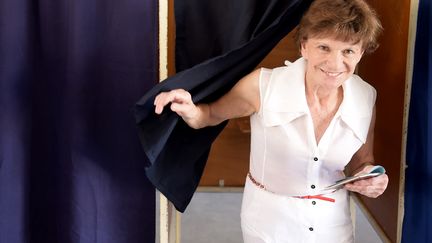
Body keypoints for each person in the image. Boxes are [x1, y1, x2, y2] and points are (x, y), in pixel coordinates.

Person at [154, 0, 389, 242]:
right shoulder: (263, 86)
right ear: (304, 47)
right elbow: (209, 115)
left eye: (348, 51)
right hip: (270, 226)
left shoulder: (365, 96)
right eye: (324, 47)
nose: (335, 63)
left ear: (361, 51)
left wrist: (372, 177)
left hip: (334, 226)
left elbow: (363, 161)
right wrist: (189, 108)